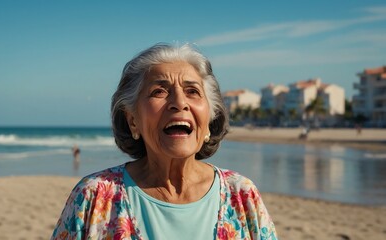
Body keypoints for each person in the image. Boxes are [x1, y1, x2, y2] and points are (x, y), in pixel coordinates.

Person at [51, 43, 277, 239]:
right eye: (159, 91)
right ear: (133, 121)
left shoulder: (241, 194)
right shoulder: (94, 196)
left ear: (210, 118)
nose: (179, 102)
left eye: (192, 91)